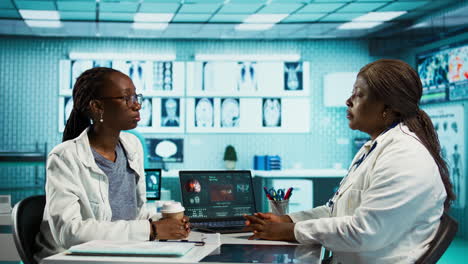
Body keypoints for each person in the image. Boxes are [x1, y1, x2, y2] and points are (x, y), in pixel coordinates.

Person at [244, 59, 455, 264]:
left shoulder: (405, 157)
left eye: (359, 95)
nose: (348, 101)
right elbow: (334, 211)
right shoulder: (373, 149)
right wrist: (288, 220)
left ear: (388, 108)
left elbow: (364, 231)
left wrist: (290, 231)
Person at [35, 67, 190, 261]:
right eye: (127, 98)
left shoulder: (132, 146)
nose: (137, 106)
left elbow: (133, 214)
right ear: (98, 107)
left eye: (136, 97)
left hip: (121, 252)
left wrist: (164, 222)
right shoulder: (64, 157)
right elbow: (70, 232)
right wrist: (151, 229)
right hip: (72, 258)